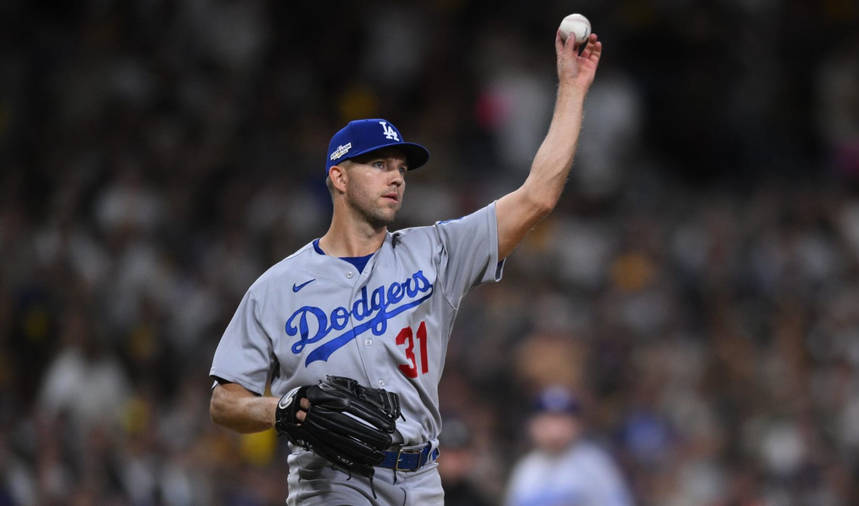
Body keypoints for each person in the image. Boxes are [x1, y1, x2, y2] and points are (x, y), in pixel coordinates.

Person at [208, 28, 604, 505]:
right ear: (338, 177)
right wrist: (281, 409)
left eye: (400, 167)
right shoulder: (277, 286)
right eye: (378, 165)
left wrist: (572, 89)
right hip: (330, 484)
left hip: (420, 482)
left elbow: (537, 196)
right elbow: (225, 400)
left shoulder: (436, 251)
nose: (395, 176)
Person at [504, 386, 633, 506]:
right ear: (533, 425)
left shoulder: (595, 465)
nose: (555, 429)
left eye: (562, 420)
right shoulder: (526, 468)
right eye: (547, 420)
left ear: (577, 425)